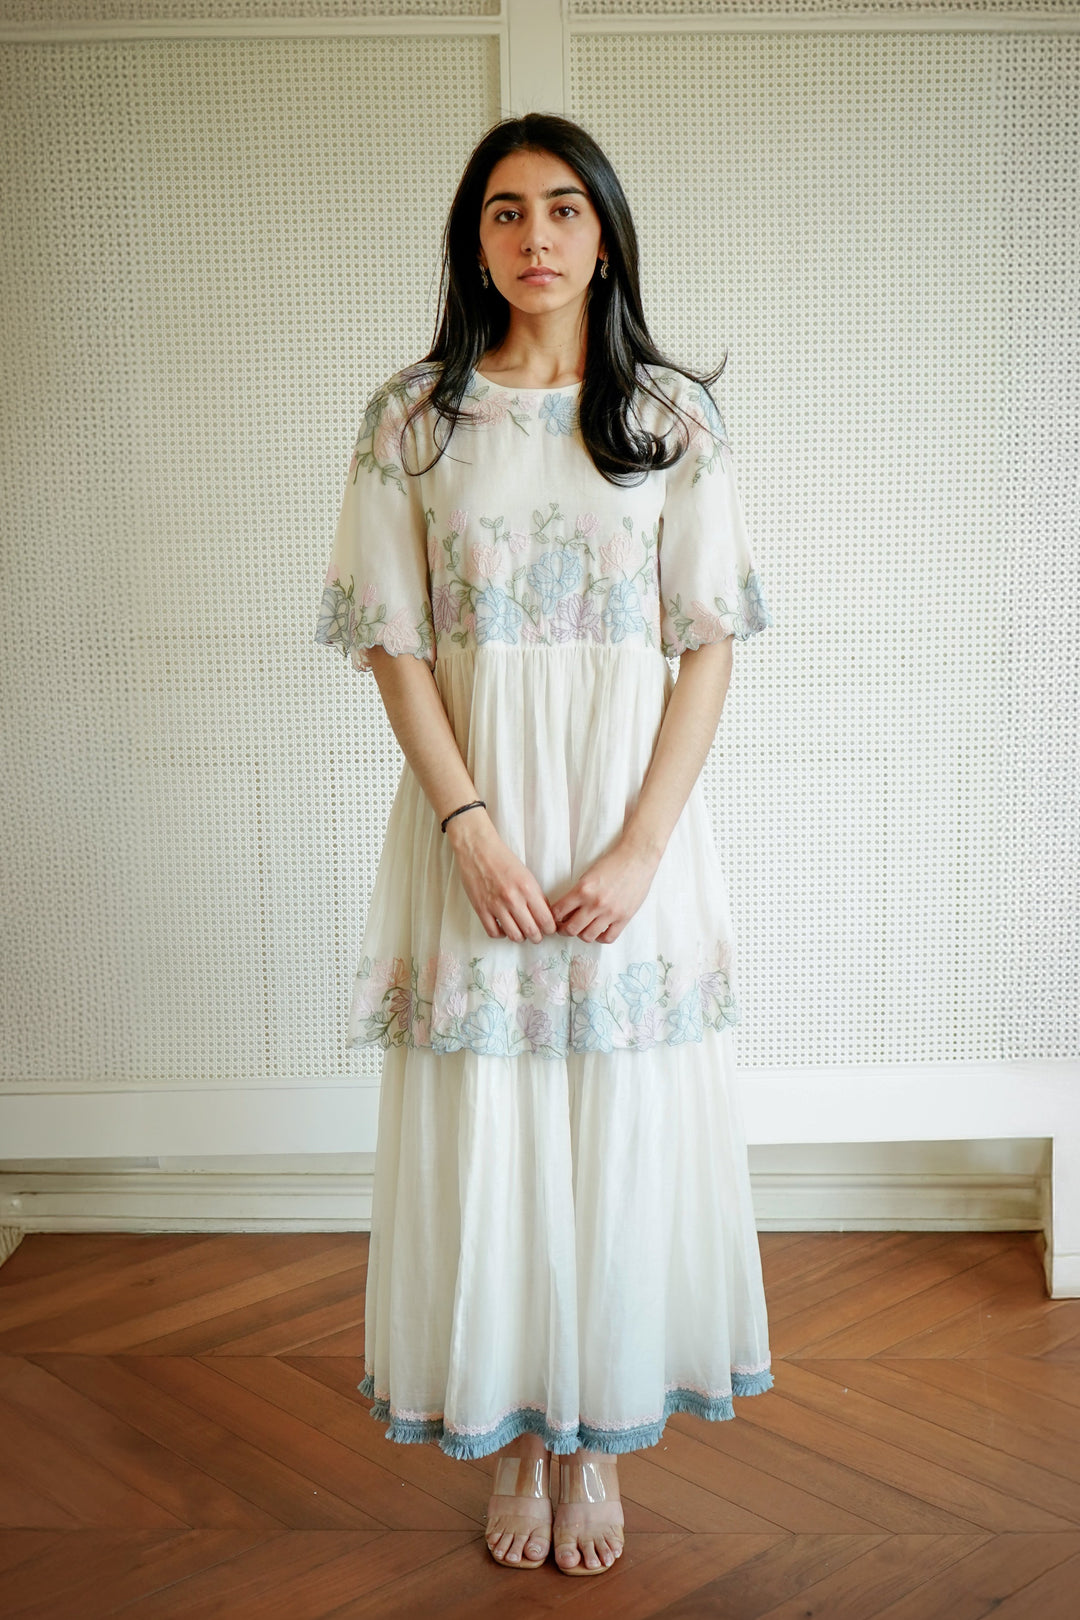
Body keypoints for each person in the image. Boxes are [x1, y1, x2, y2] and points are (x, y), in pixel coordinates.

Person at [315, 111, 773, 1577]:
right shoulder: (415, 421)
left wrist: (642, 849)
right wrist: (467, 828)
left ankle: (598, 1439)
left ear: (606, 235)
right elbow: (393, 645)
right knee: (493, 1128)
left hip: (628, 825)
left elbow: (708, 645)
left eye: (565, 209)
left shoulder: (670, 422)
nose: (536, 237)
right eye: (506, 211)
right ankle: (519, 1435)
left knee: (618, 1123)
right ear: (474, 241)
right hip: (480, 823)